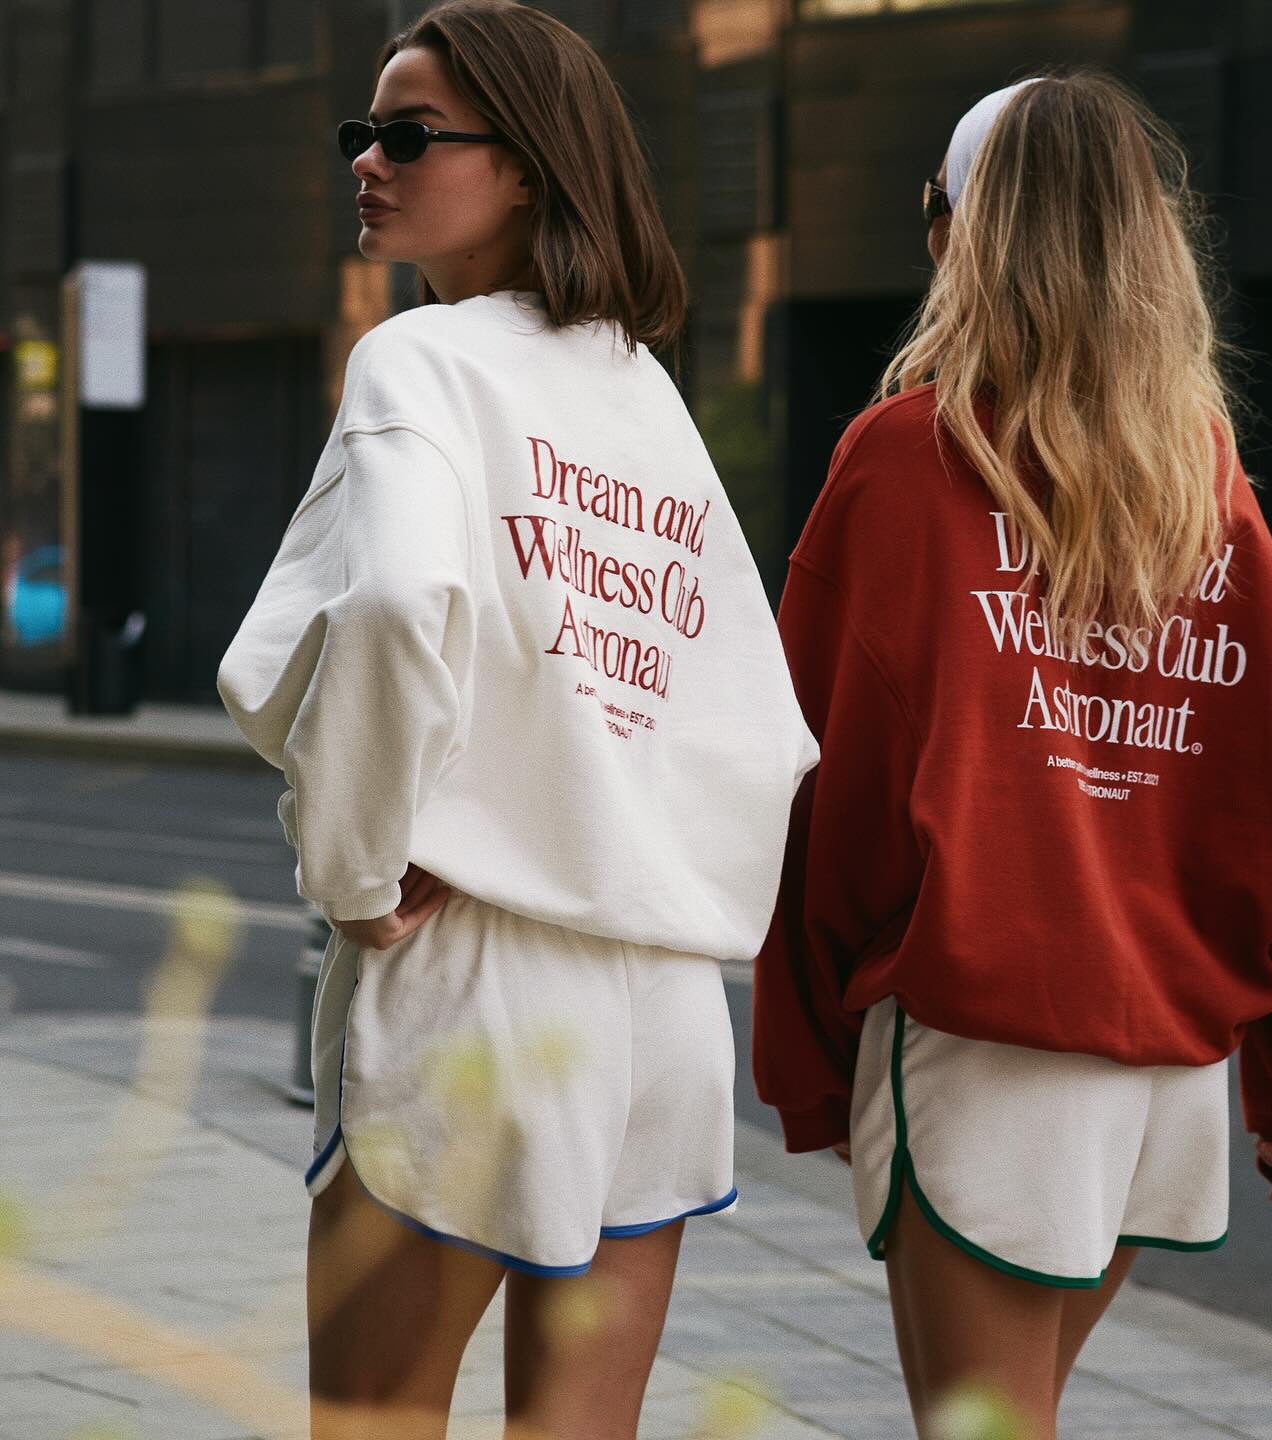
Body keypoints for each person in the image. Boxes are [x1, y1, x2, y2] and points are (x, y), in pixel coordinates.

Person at [751, 71, 1272, 1440]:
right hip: (1166, 1069)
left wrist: (810, 1045)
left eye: (933, 208)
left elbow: (810, 781)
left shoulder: (908, 457)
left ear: (967, 236)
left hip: (987, 1044)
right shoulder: (1205, 482)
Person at [216, 4, 818, 1436]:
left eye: (410, 134)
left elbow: (395, 604)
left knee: (376, 1422)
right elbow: (763, 723)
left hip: (473, 976)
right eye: (363, 131)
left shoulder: (417, 359)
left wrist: (354, 875)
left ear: (531, 168)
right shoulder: (643, 392)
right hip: (657, 1008)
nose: (368, 159)